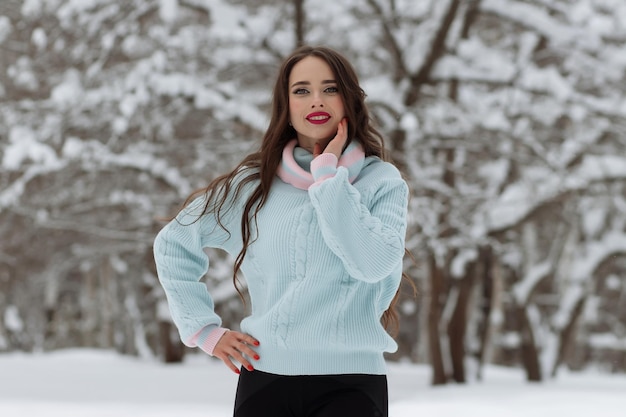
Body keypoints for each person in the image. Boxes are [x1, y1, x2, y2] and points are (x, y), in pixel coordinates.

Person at [153, 45, 409, 417]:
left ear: (349, 99)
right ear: (285, 106)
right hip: (265, 380)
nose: (316, 100)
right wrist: (205, 330)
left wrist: (327, 176)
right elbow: (175, 241)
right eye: (301, 90)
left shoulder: (380, 182)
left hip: (351, 384)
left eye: (331, 88)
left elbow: (373, 263)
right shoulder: (253, 186)